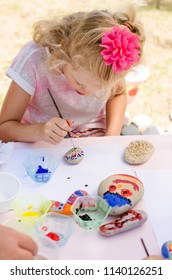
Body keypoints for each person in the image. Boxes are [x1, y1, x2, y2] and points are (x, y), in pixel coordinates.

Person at [0, 3, 145, 144]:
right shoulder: (34, 59)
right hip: (36, 137)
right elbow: (4, 129)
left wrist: (112, 135)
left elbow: (118, 93)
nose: (88, 93)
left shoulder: (109, 60)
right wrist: (40, 131)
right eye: (80, 83)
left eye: (99, 88)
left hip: (92, 132)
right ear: (63, 51)